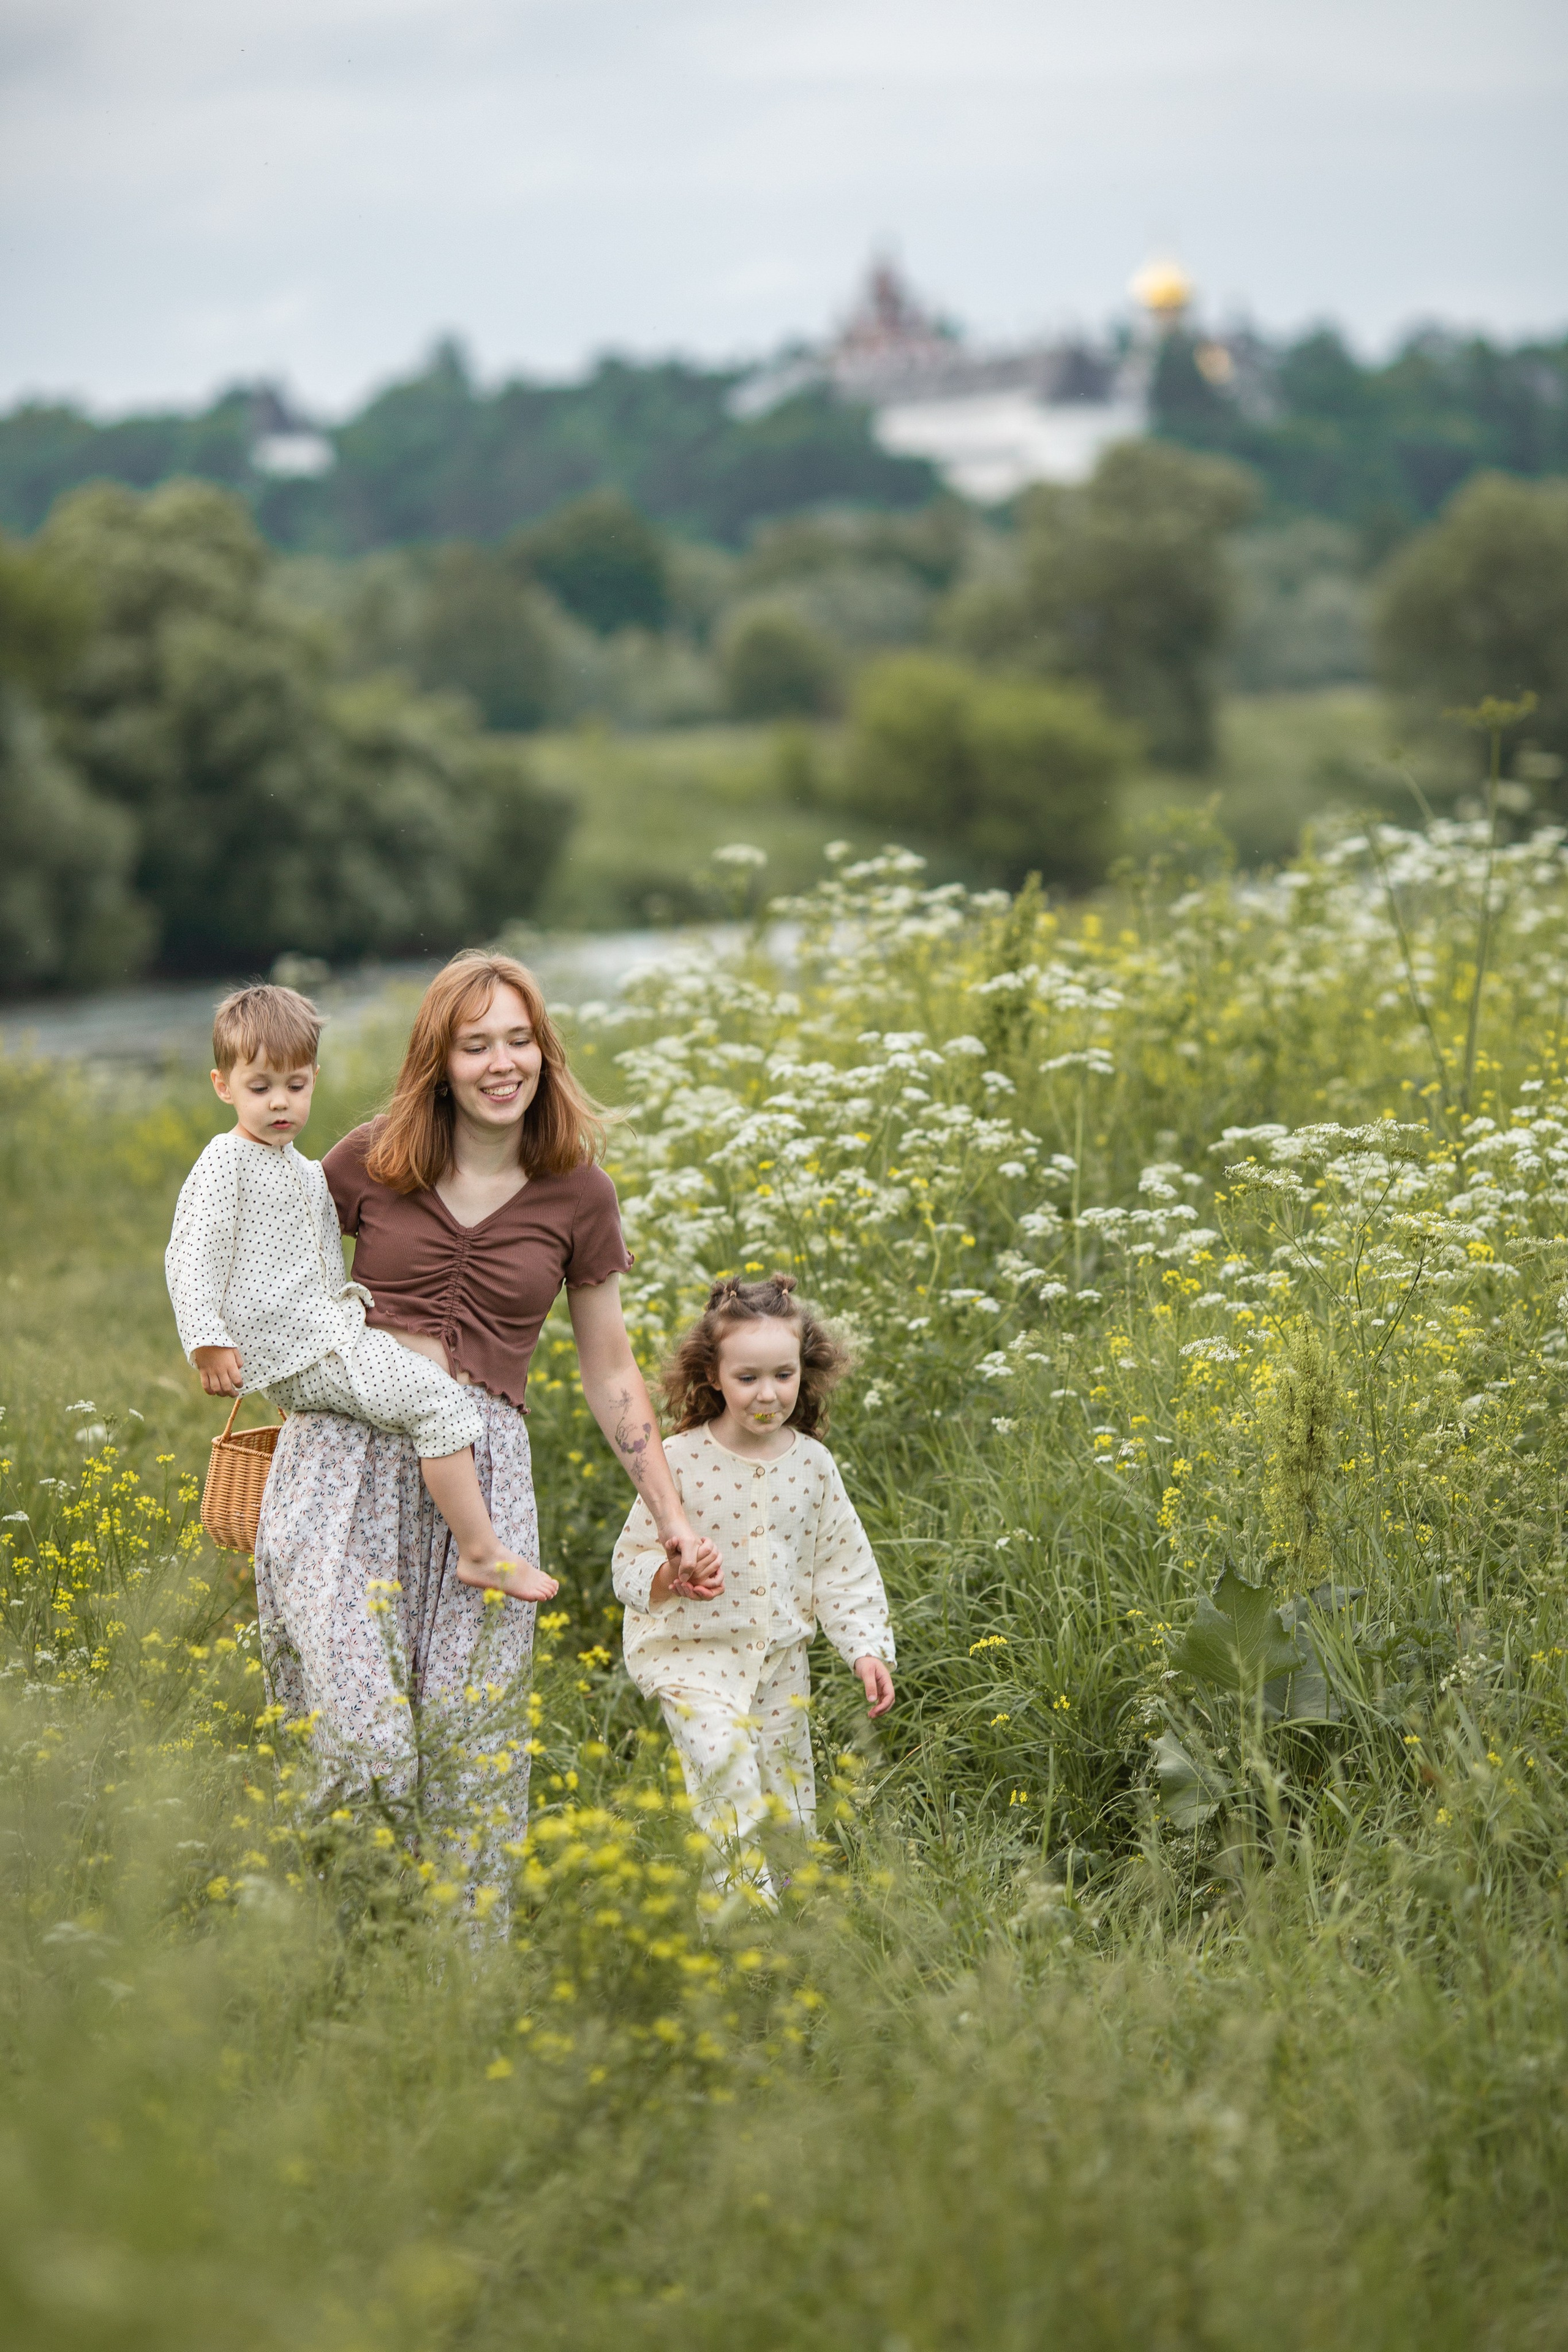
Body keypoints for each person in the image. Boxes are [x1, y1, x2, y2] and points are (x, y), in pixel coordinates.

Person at [249, 951, 712, 1831]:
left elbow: (611, 1370)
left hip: (485, 1489)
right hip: (343, 1466)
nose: (503, 1064)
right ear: (440, 1064)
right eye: (476, 1046)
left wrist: (672, 1519)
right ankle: (352, 1949)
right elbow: (270, 1257)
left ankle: (458, 1967)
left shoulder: (580, 1193)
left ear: (545, 1053)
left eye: (520, 1041)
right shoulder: (372, 1157)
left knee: (471, 1763)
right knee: (363, 1745)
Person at [166, 982, 554, 1601]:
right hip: (304, 1345)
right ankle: (481, 1553)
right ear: (223, 1086)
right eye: (259, 1088)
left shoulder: (300, 1167)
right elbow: (191, 1252)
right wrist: (207, 1341)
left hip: (324, 1337)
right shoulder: (225, 1162)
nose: (279, 1104)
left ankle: (455, 1544)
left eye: (295, 1086)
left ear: (314, 1079)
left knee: (424, 1399)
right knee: (439, 1402)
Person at [612, 1273, 894, 1882]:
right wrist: (667, 1575)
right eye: (748, 1378)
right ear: (713, 1375)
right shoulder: (680, 1461)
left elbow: (842, 1567)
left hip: (779, 1663)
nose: (768, 1394)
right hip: (692, 1659)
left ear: (804, 1369)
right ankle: (743, 1937)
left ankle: (798, 1923)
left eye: (782, 1376)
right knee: (728, 1783)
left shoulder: (813, 1466)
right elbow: (626, 1565)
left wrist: (865, 1648)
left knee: (789, 1806)